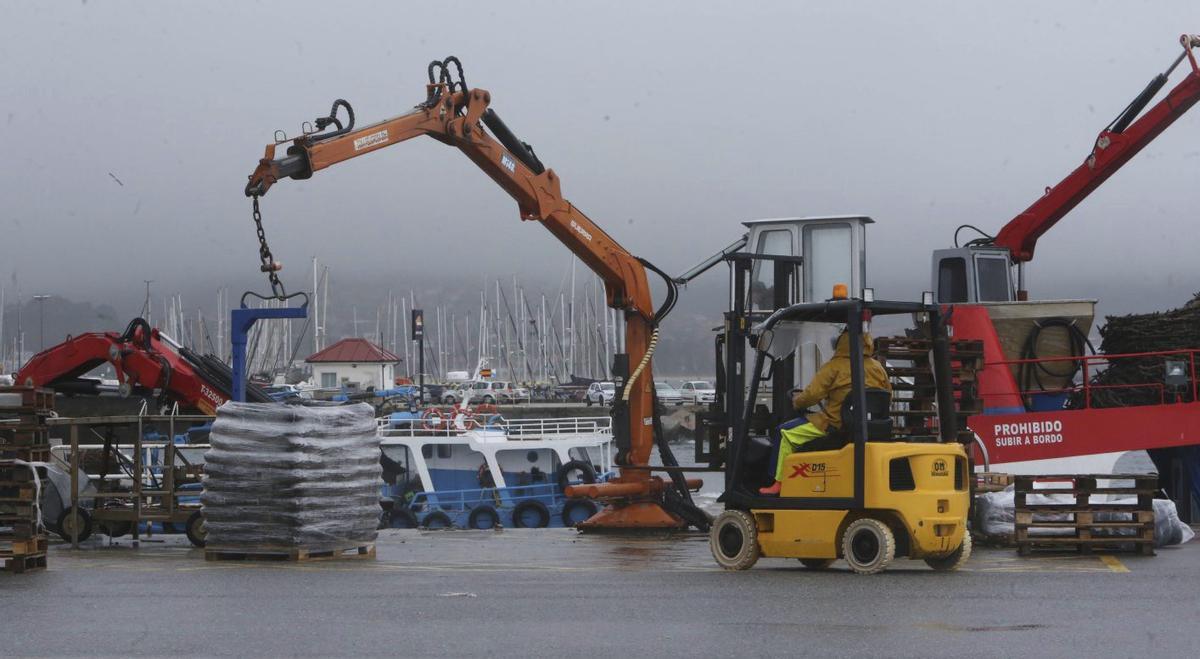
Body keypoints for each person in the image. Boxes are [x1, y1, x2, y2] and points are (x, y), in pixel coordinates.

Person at [759, 330, 891, 495]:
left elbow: (812, 394)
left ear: (841, 344)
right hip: (869, 426)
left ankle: (778, 483)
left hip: (834, 422)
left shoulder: (834, 367)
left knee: (784, 432)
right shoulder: (878, 368)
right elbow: (887, 395)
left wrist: (797, 401)